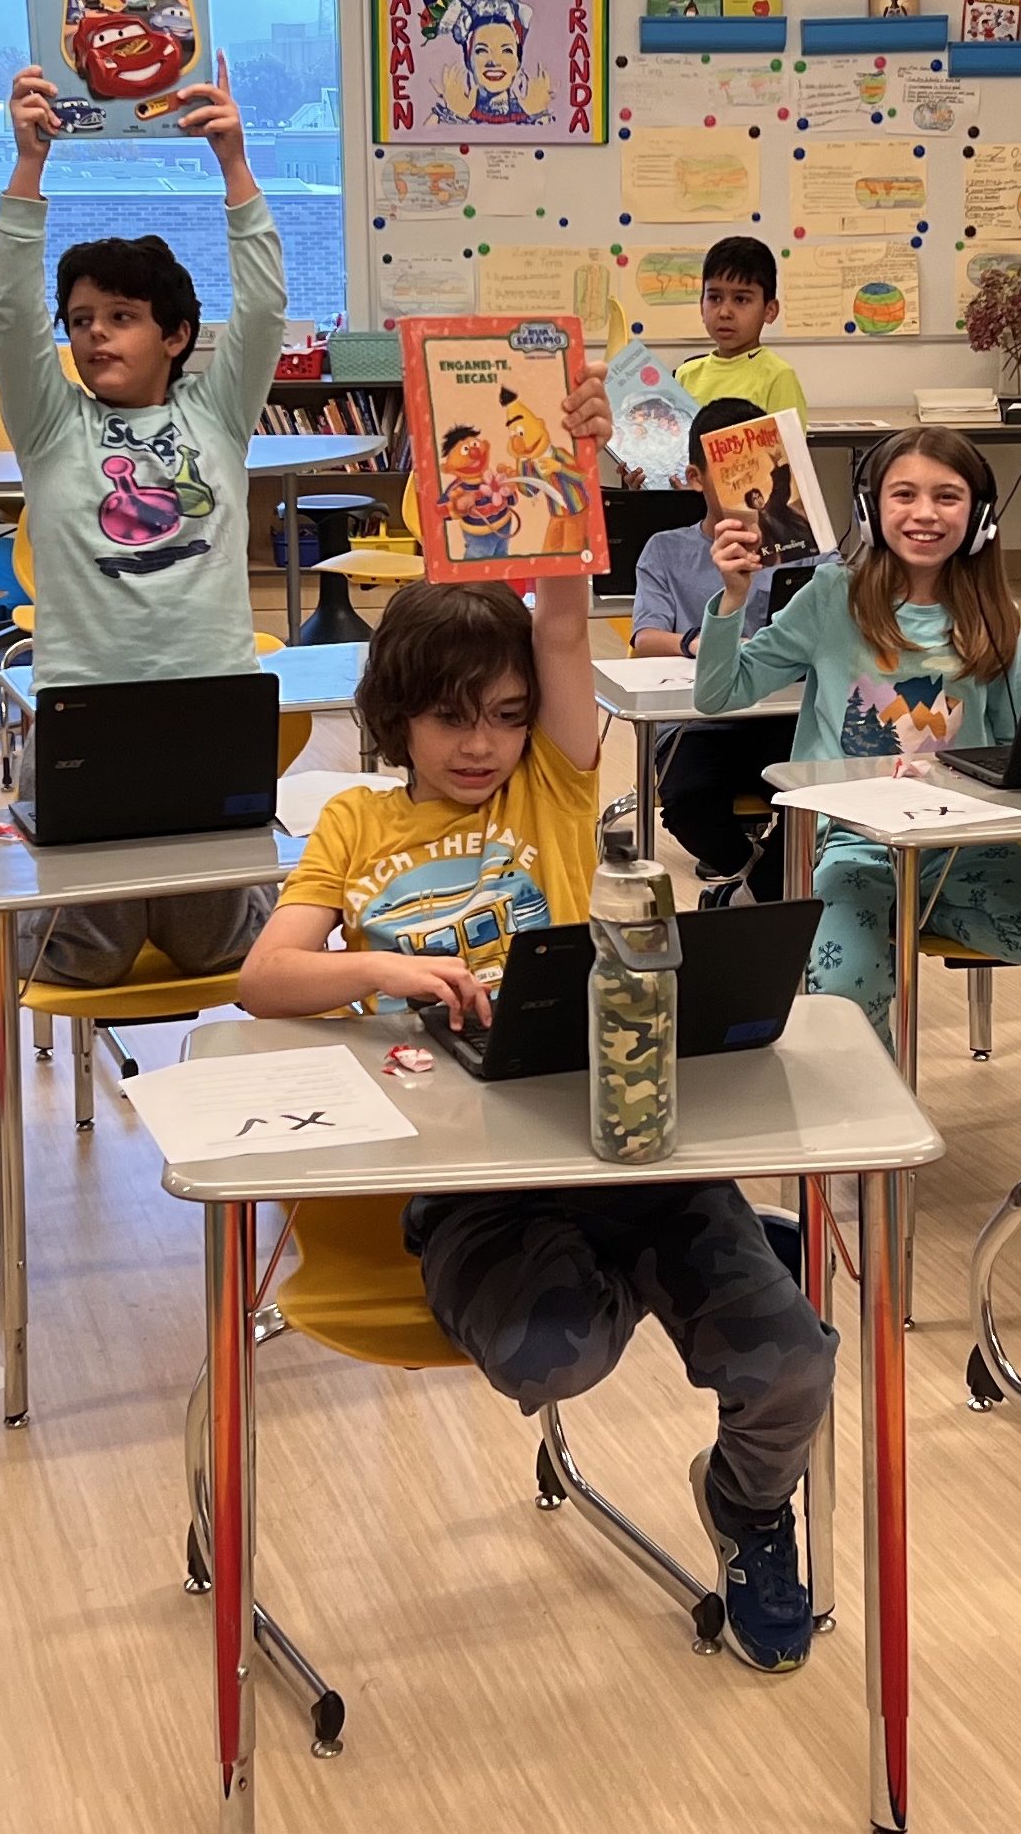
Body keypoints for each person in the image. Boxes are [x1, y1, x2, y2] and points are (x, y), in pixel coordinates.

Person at [238, 389, 835, 1679]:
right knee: (551, 1356)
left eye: (506, 715)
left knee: (792, 1361)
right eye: (455, 718)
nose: (485, 742)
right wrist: (391, 961)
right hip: (477, 1189)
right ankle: (689, 1269)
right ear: (394, 716)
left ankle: (745, 1506)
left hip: (626, 1142)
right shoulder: (352, 828)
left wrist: (567, 463)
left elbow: (563, 618)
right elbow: (265, 977)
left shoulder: (557, 783)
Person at [0, 53, 289, 990]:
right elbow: (8, 313)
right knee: (91, 959)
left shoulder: (216, 413)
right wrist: (30, 165)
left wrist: (233, 163)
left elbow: (266, 305)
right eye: (80, 319)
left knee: (213, 948)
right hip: (88, 708)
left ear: (176, 336)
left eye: (122, 317)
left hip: (209, 704)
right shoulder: (50, 424)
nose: (94, 334)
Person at [694, 427, 1021, 1040]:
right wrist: (732, 598)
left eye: (948, 497)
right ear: (870, 509)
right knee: (844, 988)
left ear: (981, 515)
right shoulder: (832, 598)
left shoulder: (996, 616)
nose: (924, 514)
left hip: (962, 851)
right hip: (852, 848)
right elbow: (719, 693)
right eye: (904, 495)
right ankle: (873, 1125)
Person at [629, 396, 796, 903]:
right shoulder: (666, 548)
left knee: (816, 796)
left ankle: (749, 895)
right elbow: (644, 639)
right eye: (724, 471)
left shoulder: (804, 546)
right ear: (696, 477)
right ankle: (764, 883)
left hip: (785, 713)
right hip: (703, 719)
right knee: (686, 800)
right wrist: (696, 641)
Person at [675, 235, 806, 417]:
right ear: (701, 306)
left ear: (769, 310)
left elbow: (789, 445)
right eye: (715, 298)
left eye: (741, 299)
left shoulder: (778, 377)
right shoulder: (686, 376)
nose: (724, 312)